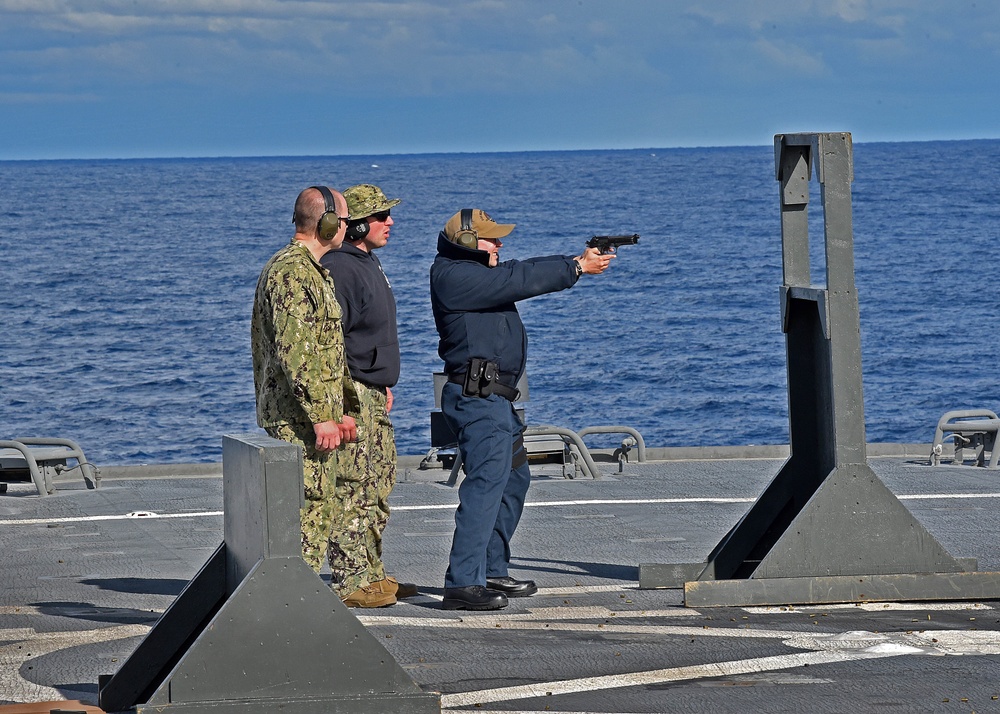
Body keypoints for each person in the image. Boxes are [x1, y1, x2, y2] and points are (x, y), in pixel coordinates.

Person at [429, 208, 614, 610]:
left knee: (514, 481)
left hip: (496, 400)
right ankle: (463, 582)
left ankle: (492, 569)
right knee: (485, 486)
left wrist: (575, 261)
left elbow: (521, 269)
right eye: (490, 238)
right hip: (477, 400)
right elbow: (519, 278)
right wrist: (577, 267)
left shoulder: (478, 273)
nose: (499, 244)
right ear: (463, 242)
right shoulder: (453, 277)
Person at [251, 185, 359, 575]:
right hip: (298, 421)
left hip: (312, 418)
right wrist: (319, 416)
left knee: (318, 512)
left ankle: (300, 599)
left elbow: (328, 350)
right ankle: (294, 605)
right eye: (345, 221)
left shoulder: (311, 272)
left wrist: (344, 409)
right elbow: (296, 355)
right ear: (328, 223)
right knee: (305, 520)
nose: (348, 228)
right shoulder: (292, 274)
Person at [319, 184, 417, 608]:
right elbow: (331, 341)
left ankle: (371, 571)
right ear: (357, 224)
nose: (389, 222)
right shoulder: (343, 268)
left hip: (371, 390)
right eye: (381, 217)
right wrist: (347, 397)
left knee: (377, 483)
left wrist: (381, 383)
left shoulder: (366, 263)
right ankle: (351, 579)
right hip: (355, 394)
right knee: (352, 485)